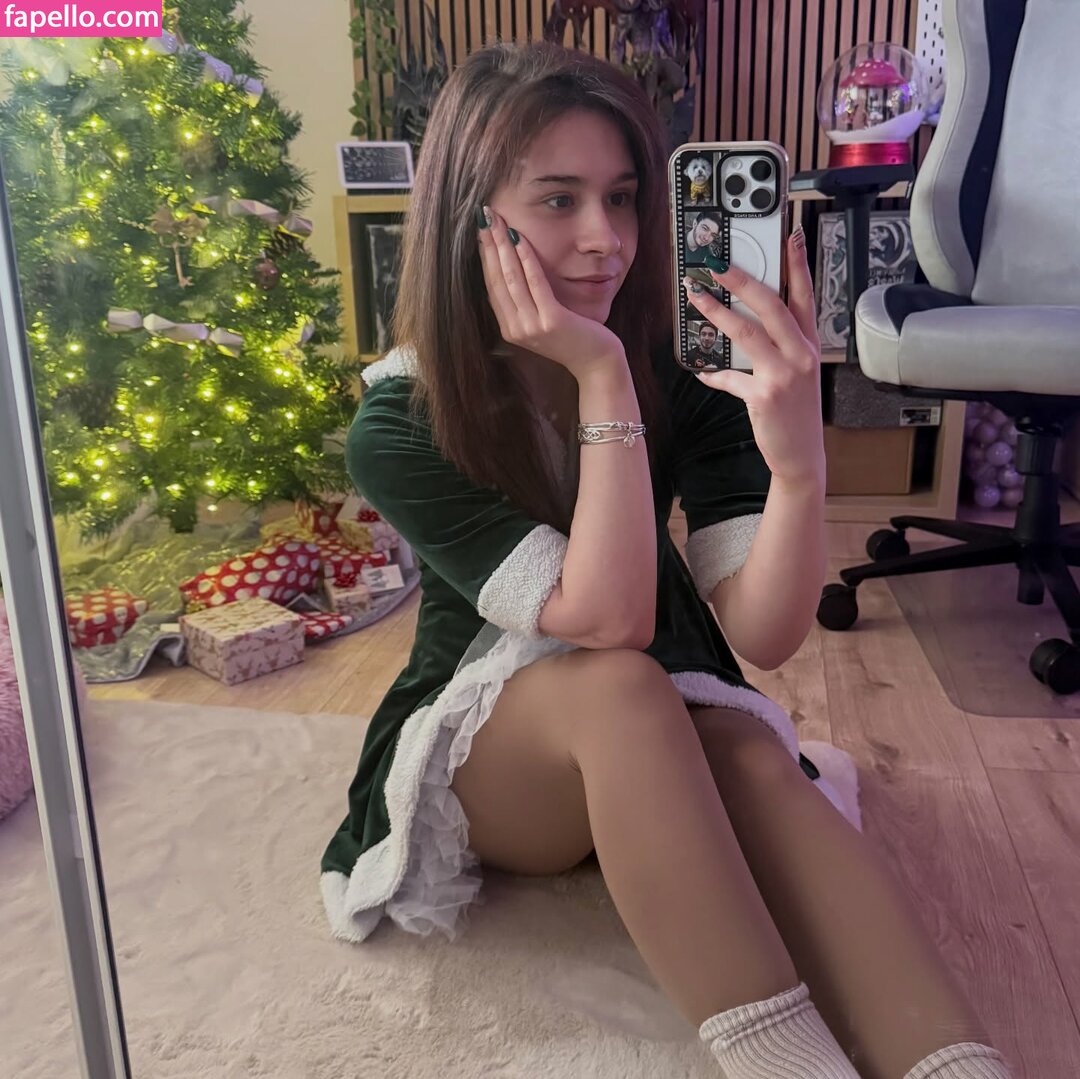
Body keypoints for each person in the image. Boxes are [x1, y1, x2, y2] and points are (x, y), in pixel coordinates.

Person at [320, 41, 1011, 1079]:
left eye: (624, 197)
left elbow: (763, 634)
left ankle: (960, 1066)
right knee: (621, 686)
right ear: (473, 219)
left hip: (651, 707)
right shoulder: (403, 420)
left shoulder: (681, 371)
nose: (605, 239)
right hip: (494, 737)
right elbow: (606, 620)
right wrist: (601, 377)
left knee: (752, 754)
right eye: (558, 200)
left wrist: (800, 465)